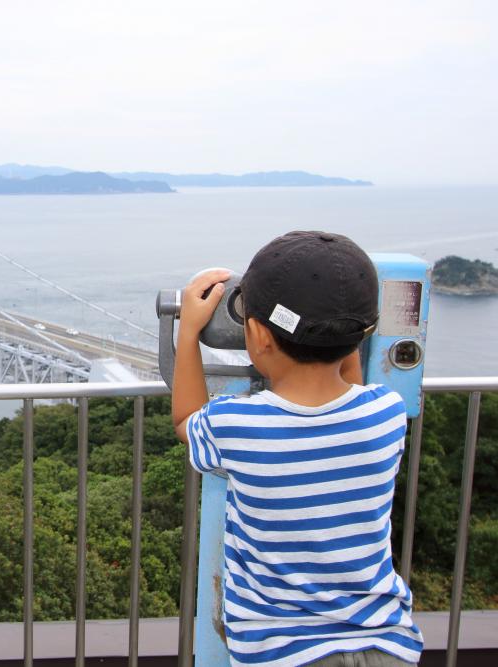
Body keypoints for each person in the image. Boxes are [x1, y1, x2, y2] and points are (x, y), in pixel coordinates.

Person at [171, 231, 423, 666]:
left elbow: (186, 422)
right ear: (362, 332)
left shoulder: (239, 427)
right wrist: (330, 314)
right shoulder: (386, 413)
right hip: (384, 645)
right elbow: (351, 380)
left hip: (283, 652)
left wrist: (190, 332)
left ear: (257, 335)